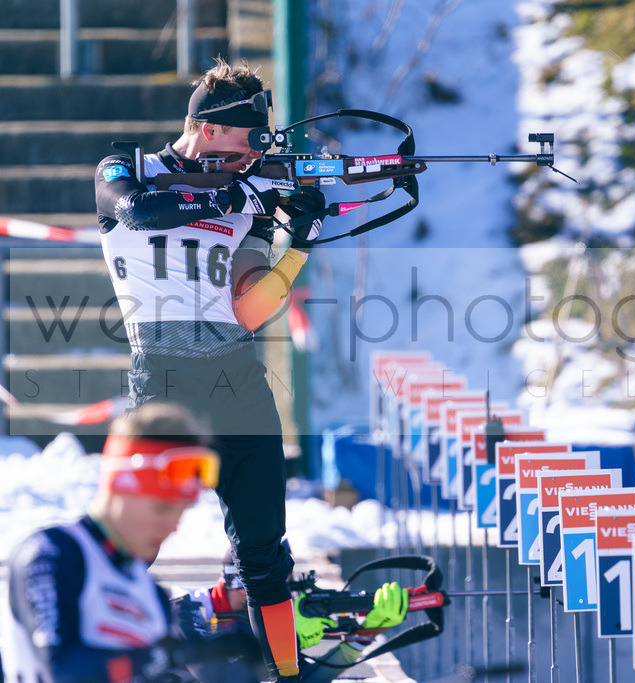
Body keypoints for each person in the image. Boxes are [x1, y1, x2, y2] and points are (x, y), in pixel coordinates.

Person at [93, 57, 324, 681]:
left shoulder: (247, 200)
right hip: (163, 383)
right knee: (136, 538)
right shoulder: (129, 167)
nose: (254, 156)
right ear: (211, 128)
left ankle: (286, 673)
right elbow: (138, 210)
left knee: (265, 556)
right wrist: (230, 192)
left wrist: (296, 244)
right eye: (249, 142)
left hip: (238, 382)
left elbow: (250, 309)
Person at [0, 401, 258, 682]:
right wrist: (180, 654)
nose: (173, 527)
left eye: (181, 511)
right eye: (162, 508)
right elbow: (63, 669)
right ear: (119, 485)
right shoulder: (52, 554)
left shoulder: (151, 593)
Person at [170, 555, 408, 683]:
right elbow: (220, 678)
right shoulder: (187, 611)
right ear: (242, 583)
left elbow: (305, 681)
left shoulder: (253, 618)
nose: (278, 599)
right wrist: (285, 641)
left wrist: (367, 633)